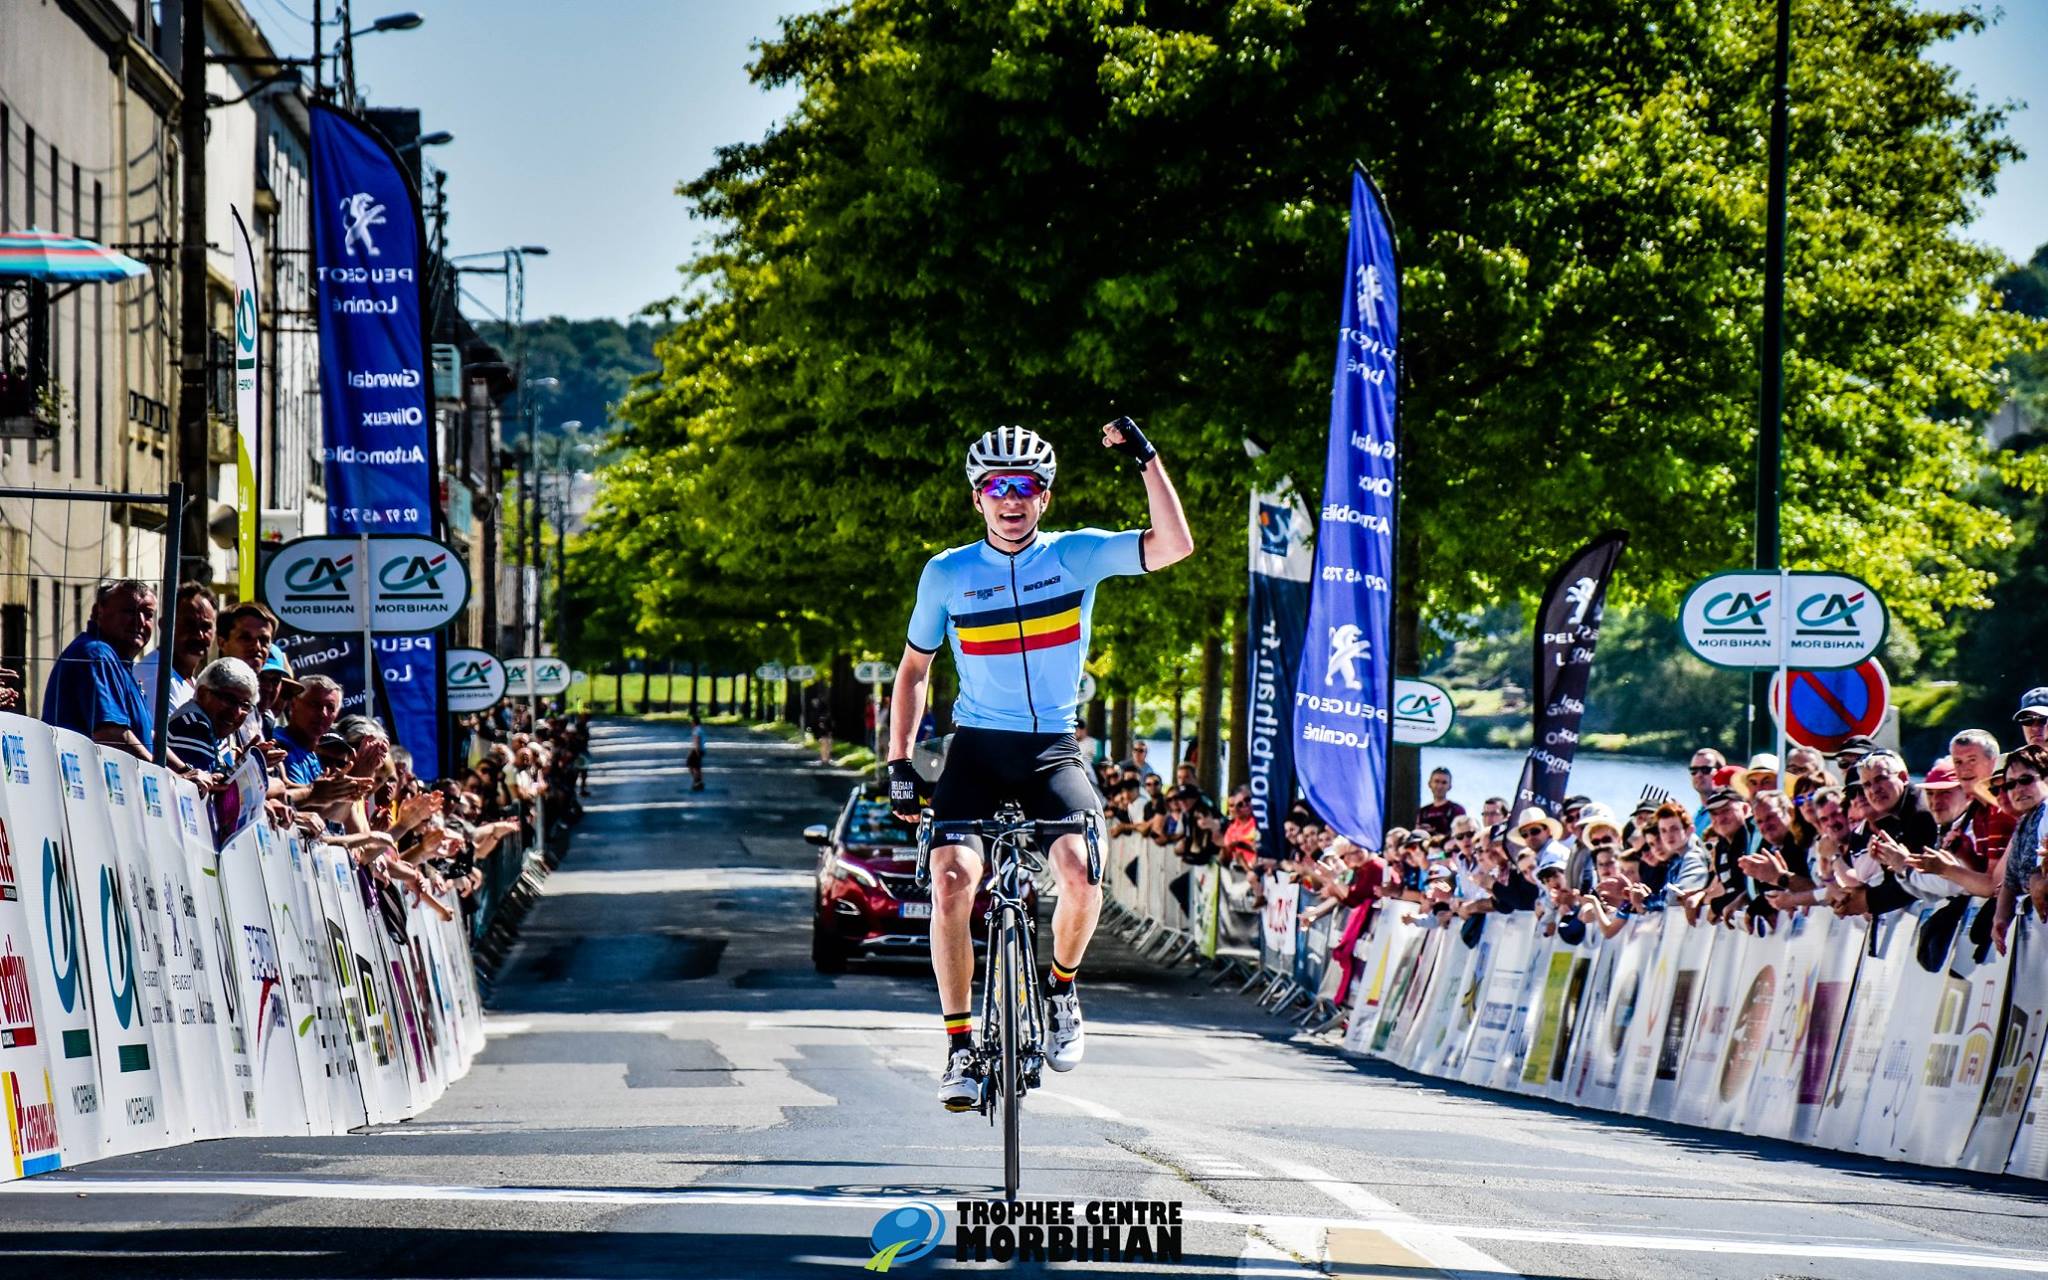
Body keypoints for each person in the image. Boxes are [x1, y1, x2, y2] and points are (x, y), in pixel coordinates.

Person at [885, 418, 1193, 1111]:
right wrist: (899, 761)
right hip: (976, 748)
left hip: (1052, 747)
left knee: (1082, 874)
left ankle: (1059, 990)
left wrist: (1146, 458)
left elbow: (1174, 545)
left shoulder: (1076, 555)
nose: (1011, 499)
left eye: (1025, 486)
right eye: (996, 486)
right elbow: (913, 671)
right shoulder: (947, 573)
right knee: (952, 881)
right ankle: (959, 1046)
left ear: (1045, 497)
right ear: (977, 498)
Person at [42, 579, 159, 758]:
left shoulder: (118, 662)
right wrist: (158, 771)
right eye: (129, 611)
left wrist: (182, 770)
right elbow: (111, 735)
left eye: (148, 614)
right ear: (98, 612)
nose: (140, 621)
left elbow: (145, 735)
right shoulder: (97, 655)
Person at [136, 581, 217, 725]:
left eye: (206, 626)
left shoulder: (190, 681)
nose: (199, 635)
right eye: (189, 625)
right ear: (165, 625)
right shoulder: (155, 676)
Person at [165, 657, 260, 778]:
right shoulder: (193, 727)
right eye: (229, 700)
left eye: (245, 705)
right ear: (203, 693)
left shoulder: (216, 730)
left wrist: (245, 764)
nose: (236, 712)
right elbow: (207, 787)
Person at [1415, 767, 1465, 837]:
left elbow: (1461, 836)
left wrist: (1436, 834)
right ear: (1429, 784)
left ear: (1450, 786)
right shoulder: (1423, 811)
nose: (1439, 786)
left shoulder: (1457, 809)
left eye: (1444, 783)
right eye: (1436, 781)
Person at [686, 714, 706, 791]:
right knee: (697, 766)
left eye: (692, 722)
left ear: (694, 722)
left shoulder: (696, 730)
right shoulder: (700, 729)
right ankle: (699, 782)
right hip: (702, 749)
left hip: (697, 750)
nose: (691, 723)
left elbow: (697, 741)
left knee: (690, 764)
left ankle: (697, 781)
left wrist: (697, 751)